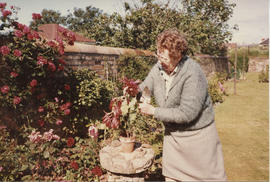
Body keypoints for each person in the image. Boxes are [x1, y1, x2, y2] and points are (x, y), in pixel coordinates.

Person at [138, 29, 227, 181]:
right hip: (173, 141)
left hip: (198, 141)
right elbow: (146, 87)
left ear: (178, 56)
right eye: (159, 55)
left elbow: (187, 113)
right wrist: (136, 91)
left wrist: (153, 111)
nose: (161, 61)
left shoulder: (193, 72)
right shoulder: (158, 67)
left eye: (165, 58)